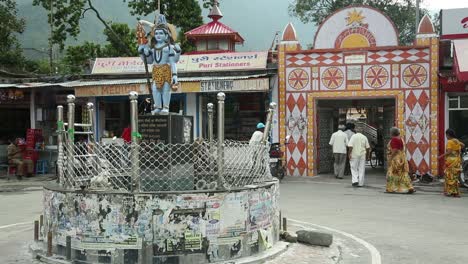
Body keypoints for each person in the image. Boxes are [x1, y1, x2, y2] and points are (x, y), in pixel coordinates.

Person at [138, 15, 181, 115]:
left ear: (166, 36)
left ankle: (165, 107)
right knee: (155, 90)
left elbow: (173, 61)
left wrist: (175, 75)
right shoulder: (152, 49)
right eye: (156, 33)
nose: (158, 35)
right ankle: (158, 107)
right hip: (156, 70)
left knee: (166, 89)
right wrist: (142, 52)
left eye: (161, 33)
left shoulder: (169, 48)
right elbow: (148, 61)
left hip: (166, 70)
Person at [386, 127, 415, 194]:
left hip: (396, 159)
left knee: (392, 173)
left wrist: (390, 158)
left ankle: (392, 188)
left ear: (392, 133)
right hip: (402, 158)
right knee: (403, 173)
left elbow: (395, 150)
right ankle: (409, 187)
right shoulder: (401, 139)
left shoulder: (394, 140)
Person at [439, 129, 465, 197]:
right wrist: (457, 151)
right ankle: (455, 192)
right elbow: (463, 145)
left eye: (446, 135)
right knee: (455, 177)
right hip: (457, 161)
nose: (446, 137)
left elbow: (449, 152)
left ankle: (450, 192)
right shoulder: (456, 140)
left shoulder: (450, 142)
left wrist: (440, 156)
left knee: (449, 176)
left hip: (451, 161)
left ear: (448, 135)